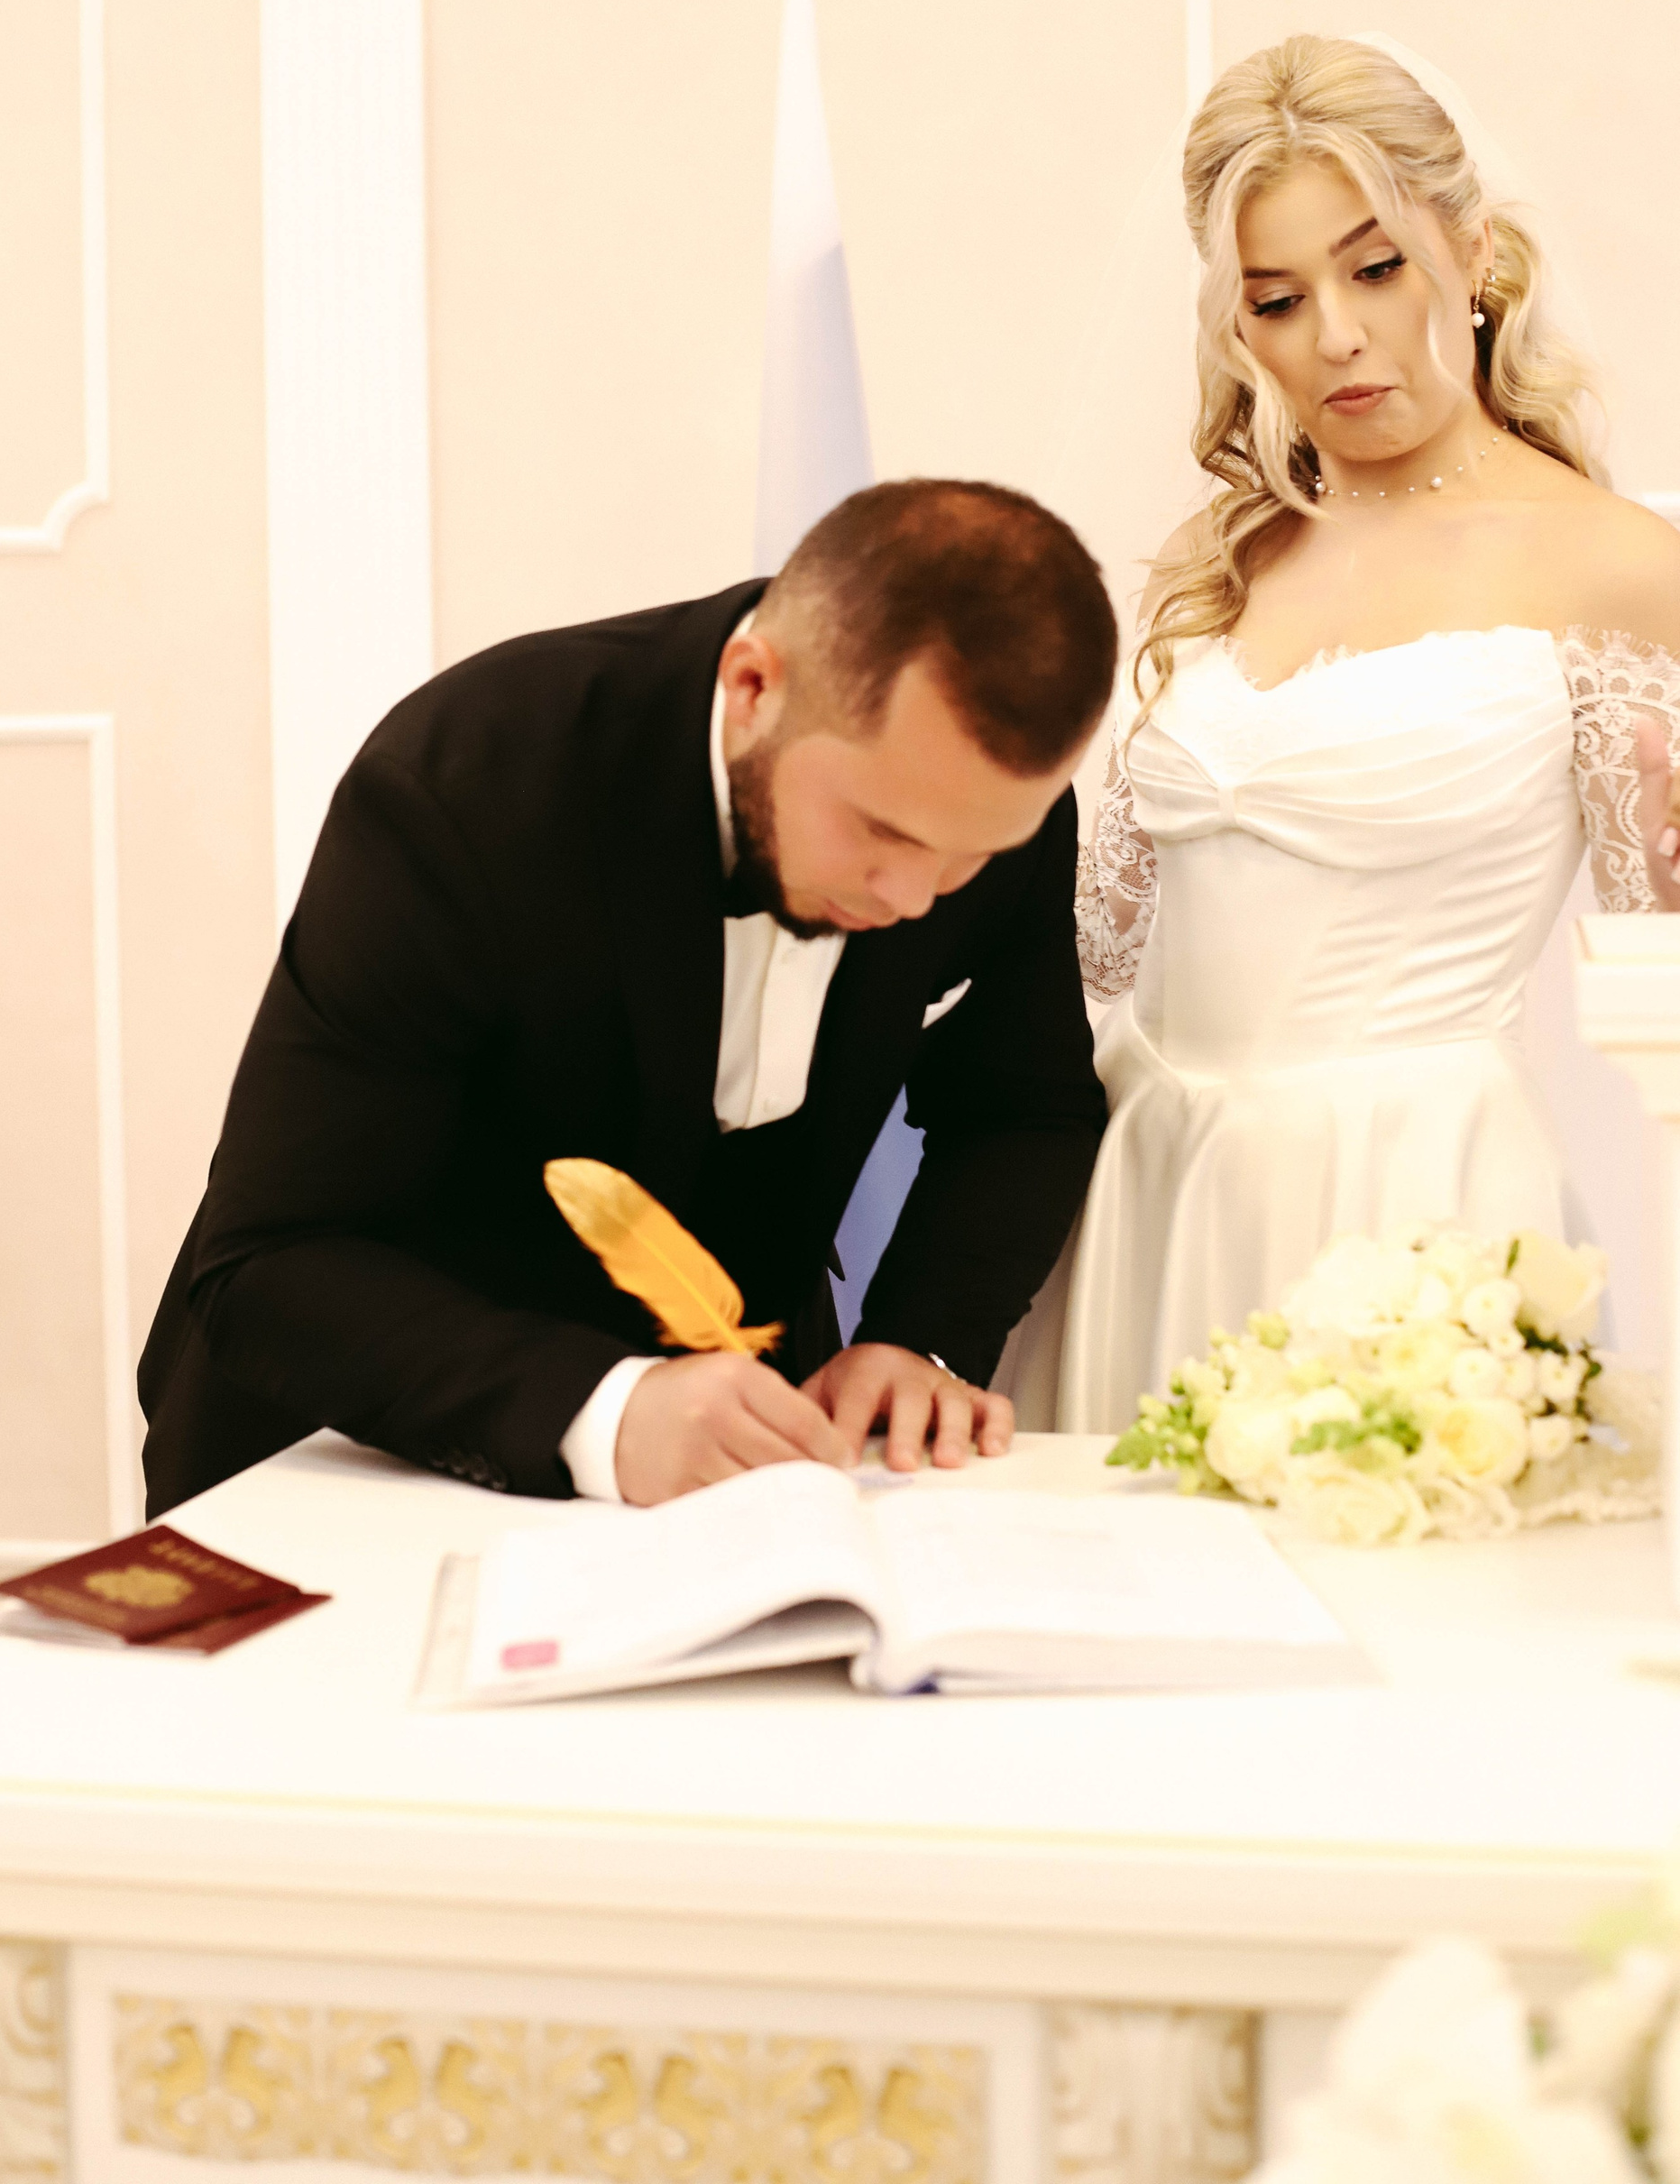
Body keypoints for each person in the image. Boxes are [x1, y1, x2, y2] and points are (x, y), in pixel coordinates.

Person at [140, 478, 1115, 1513]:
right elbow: (272, 1261)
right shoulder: (467, 782)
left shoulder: (978, 807)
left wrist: (920, 1342)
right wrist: (602, 1410)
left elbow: (1024, 1109)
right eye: (883, 833)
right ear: (754, 687)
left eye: (971, 857)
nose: (917, 898)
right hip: (350, 1447)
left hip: (731, 1464)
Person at [999, 33, 1680, 1436]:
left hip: (1411, 1207)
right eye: (1278, 298)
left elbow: (1658, 972)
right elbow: (1094, 947)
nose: (1338, 338)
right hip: (1147, 1181)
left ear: (1473, 253)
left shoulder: (1618, 566)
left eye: (1376, 270)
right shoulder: (1225, 554)